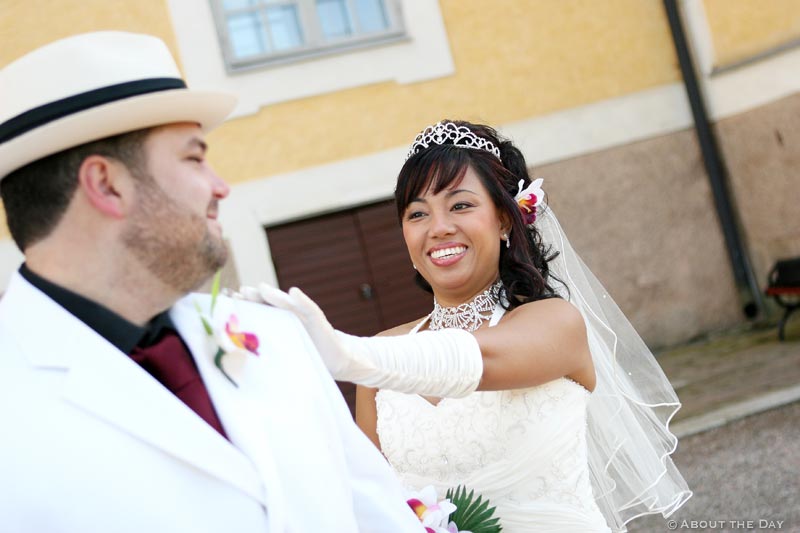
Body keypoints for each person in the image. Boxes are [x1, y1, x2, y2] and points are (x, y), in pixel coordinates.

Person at [0, 31, 426, 533]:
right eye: (194, 158)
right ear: (106, 184)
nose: (220, 186)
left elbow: (378, 516)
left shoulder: (276, 337)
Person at [255, 121, 692, 531]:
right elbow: (369, 500)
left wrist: (349, 353)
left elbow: (479, 358)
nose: (439, 228)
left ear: (504, 219)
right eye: (417, 214)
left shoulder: (555, 323)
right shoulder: (380, 360)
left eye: (461, 205)